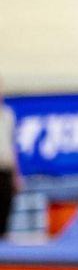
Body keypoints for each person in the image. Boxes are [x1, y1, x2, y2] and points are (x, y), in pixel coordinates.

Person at [0, 78, 20, 240]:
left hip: (6, 170)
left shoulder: (8, 115)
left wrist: (16, 176)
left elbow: (12, 147)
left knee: (5, 212)